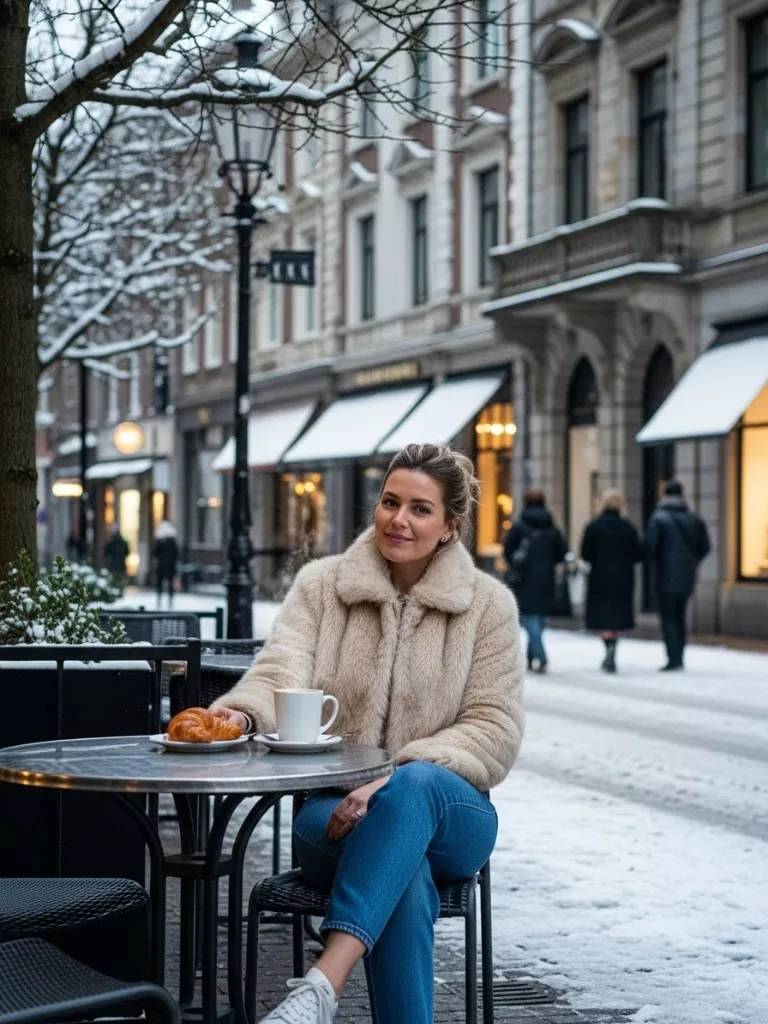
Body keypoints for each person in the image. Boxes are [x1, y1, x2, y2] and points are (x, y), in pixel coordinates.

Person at [211, 443, 525, 1024]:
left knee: (414, 790)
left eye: (420, 509)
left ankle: (322, 983)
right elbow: (281, 670)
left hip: (453, 813)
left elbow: (493, 728)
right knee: (403, 876)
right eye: (389, 501)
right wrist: (244, 713)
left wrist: (390, 782)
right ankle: (320, 994)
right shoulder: (322, 587)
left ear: (451, 526)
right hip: (328, 814)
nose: (398, 520)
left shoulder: (487, 608)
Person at [645, 480, 711, 671]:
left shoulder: (659, 518)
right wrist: (691, 561)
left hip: (664, 575)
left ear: (664, 495)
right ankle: (679, 655)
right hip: (687, 575)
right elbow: (705, 547)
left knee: (668, 616)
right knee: (680, 615)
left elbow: (650, 547)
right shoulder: (693, 519)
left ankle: (673, 658)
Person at [503, 488, 568, 674]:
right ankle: (533, 658)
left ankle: (540, 656)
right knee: (539, 619)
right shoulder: (553, 529)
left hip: (524, 579)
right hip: (546, 578)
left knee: (530, 619)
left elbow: (508, 552)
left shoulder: (519, 527)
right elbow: (561, 554)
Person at [580, 489, 644, 673]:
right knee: (617, 615)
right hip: (623, 577)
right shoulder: (628, 527)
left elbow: (586, 553)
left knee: (603, 616)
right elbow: (638, 554)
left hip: (600, 576)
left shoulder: (593, 526)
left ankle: (608, 646)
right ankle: (613, 647)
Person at [153, 519, 179, 608]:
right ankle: (169, 600)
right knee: (169, 583)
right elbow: (176, 555)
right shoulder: (172, 542)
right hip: (170, 566)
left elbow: (155, 554)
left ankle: (160, 600)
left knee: (161, 583)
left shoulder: (160, 542)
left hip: (162, 565)